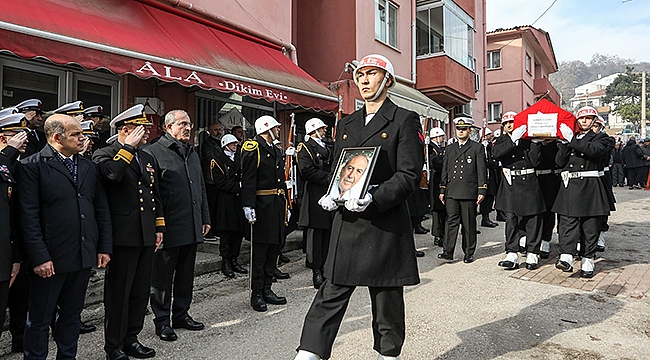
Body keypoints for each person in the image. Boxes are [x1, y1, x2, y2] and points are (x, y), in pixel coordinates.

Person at [294, 54, 423, 360]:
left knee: (386, 300)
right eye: (360, 75)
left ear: (387, 80)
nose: (363, 80)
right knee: (330, 293)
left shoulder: (404, 120)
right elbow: (341, 168)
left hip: (384, 223)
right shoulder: (347, 122)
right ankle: (309, 353)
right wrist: (332, 192)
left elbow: (409, 175)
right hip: (347, 223)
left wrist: (374, 198)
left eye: (372, 74)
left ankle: (387, 355)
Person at [15, 114, 112, 359]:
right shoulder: (32, 166)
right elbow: (27, 216)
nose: (83, 138)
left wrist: (103, 247)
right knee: (39, 319)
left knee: (71, 316)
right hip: (50, 259)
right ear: (58, 137)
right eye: (76, 135)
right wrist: (39, 257)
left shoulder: (88, 166)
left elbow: (99, 209)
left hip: (82, 255)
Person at [93, 104, 164, 360]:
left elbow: (154, 192)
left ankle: (132, 338)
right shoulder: (106, 153)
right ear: (126, 129)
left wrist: (158, 226)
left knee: (139, 292)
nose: (147, 132)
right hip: (122, 237)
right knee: (118, 295)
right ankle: (114, 345)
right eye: (142, 128)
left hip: (145, 234)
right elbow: (112, 176)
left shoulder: (146, 157)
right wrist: (127, 149)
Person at [144, 109, 210, 341]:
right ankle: (162, 321)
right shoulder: (152, 152)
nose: (188, 128)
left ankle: (181, 314)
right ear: (167, 127)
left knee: (185, 275)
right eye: (182, 124)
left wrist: (204, 217)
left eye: (189, 124)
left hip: (191, 224)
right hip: (168, 227)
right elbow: (151, 194)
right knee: (161, 278)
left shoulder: (191, 153)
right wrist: (156, 226)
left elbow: (200, 186)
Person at [553, 106, 611, 278]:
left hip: (591, 184)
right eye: (581, 118)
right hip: (571, 184)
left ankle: (588, 259)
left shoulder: (602, 138)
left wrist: (572, 140)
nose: (584, 121)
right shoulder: (573, 138)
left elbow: (594, 151)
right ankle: (567, 256)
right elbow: (559, 161)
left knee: (590, 226)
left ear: (594, 120)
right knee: (567, 222)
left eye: (588, 118)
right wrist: (564, 144)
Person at [240, 115, 289, 312]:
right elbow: (248, 179)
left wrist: (286, 205)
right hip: (261, 205)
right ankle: (256, 293)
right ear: (266, 129)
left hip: (275, 204)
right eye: (276, 128)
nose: (278, 130)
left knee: (273, 249)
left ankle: (268, 288)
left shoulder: (273, 149)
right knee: (259, 253)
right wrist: (248, 205)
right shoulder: (253, 148)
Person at [492, 112, 545, 270]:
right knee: (511, 219)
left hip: (528, 181)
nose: (509, 125)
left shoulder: (527, 140)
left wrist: (535, 143)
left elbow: (536, 162)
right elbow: (496, 154)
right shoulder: (502, 140)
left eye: (512, 122)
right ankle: (512, 252)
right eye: (506, 123)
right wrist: (512, 140)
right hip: (511, 183)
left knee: (533, 219)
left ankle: (533, 252)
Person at [437, 117, 487, 263]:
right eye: (458, 129)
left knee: (468, 224)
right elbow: (445, 170)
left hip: (468, 191)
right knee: (451, 222)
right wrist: (442, 189)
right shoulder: (450, 148)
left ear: (469, 131)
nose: (460, 131)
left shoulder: (477, 148)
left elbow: (481, 170)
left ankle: (469, 252)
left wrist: (482, 190)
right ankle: (448, 251)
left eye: (464, 129)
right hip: (452, 191)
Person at [296, 118, 333, 289]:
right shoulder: (304, 147)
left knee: (327, 233)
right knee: (315, 236)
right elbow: (306, 171)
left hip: (328, 193)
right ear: (314, 130)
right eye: (322, 128)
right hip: (314, 195)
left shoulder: (327, 146)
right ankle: (316, 270)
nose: (325, 130)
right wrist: (329, 178)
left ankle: (326, 267)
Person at [0, 113, 27, 343]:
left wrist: (17, 255)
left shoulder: (17, 165)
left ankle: (19, 338)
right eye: (17, 135)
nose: (23, 140)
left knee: (17, 300)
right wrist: (8, 152)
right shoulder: (5, 162)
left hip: (11, 248)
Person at [209, 134, 248, 278]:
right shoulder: (217, 161)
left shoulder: (239, 157)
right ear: (225, 145)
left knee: (238, 232)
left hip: (238, 201)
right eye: (233, 144)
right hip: (226, 201)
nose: (235, 146)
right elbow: (220, 183)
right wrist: (239, 185)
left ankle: (234, 260)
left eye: (236, 144)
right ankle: (225, 261)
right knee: (226, 233)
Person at [201, 122, 224, 241]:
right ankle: (208, 232)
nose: (219, 132)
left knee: (218, 208)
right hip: (210, 180)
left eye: (220, 129)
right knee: (211, 206)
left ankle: (216, 230)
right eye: (216, 130)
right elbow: (211, 159)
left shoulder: (221, 143)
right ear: (210, 131)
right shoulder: (207, 143)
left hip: (219, 180)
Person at [428, 127, 446, 247]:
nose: (443, 139)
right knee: (437, 210)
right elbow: (436, 163)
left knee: (441, 210)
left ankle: (441, 233)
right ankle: (437, 235)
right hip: (435, 181)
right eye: (442, 136)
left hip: (440, 180)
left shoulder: (438, 148)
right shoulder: (430, 148)